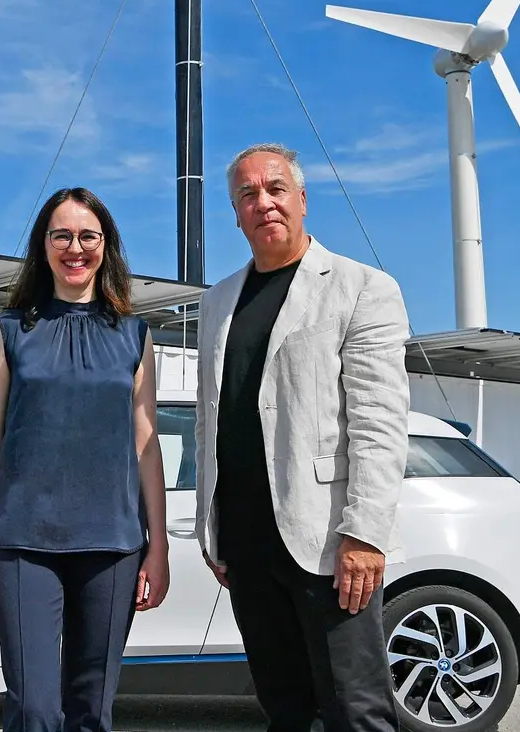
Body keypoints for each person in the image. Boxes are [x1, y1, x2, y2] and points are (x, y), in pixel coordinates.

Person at [193, 144, 412, 732]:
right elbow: (210, 416)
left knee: (355, 710)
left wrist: (364, 533)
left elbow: (379, 422)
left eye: (275, 189)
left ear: (302, 199)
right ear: (235, 213)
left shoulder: (362, 288)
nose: (262, 202)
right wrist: (212, 529)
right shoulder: (216, 302)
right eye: (247, 195)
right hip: (245, 544)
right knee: (285, 709)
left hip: (326, 543)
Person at [0, 187, 171, 732]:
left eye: (88, 236)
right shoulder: (10, 331)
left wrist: (159, 546)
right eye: (62, 235)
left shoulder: (134, 336)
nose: (75, 248)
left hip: (114, 545)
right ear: (44, 245)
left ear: (106, 246)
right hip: (22, 542)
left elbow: (147, 444)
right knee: (33, 709)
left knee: (91, 710)